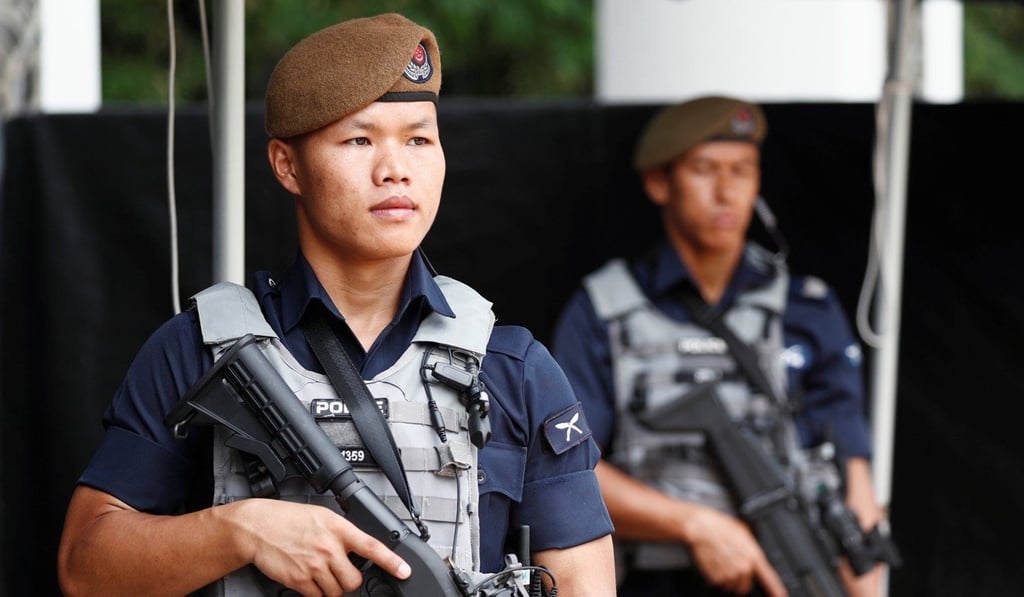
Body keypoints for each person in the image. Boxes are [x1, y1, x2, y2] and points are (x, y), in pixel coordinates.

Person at [57, 13, 615, 597]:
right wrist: (240, 530)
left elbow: (585, 583)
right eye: (360, 140)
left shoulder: (513, 369)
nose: (395, 170)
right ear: (287, 165)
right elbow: (84, 569)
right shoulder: (200, 349)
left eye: (419, 139)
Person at [551, 96, 892, 597]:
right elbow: (567, 467)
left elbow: (851, 472)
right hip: (655, 579)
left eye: (742, 170)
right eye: (705, 169)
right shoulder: (604, 309)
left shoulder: (807, 309)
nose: (726, 191)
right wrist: (695, 525)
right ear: (659, 182)